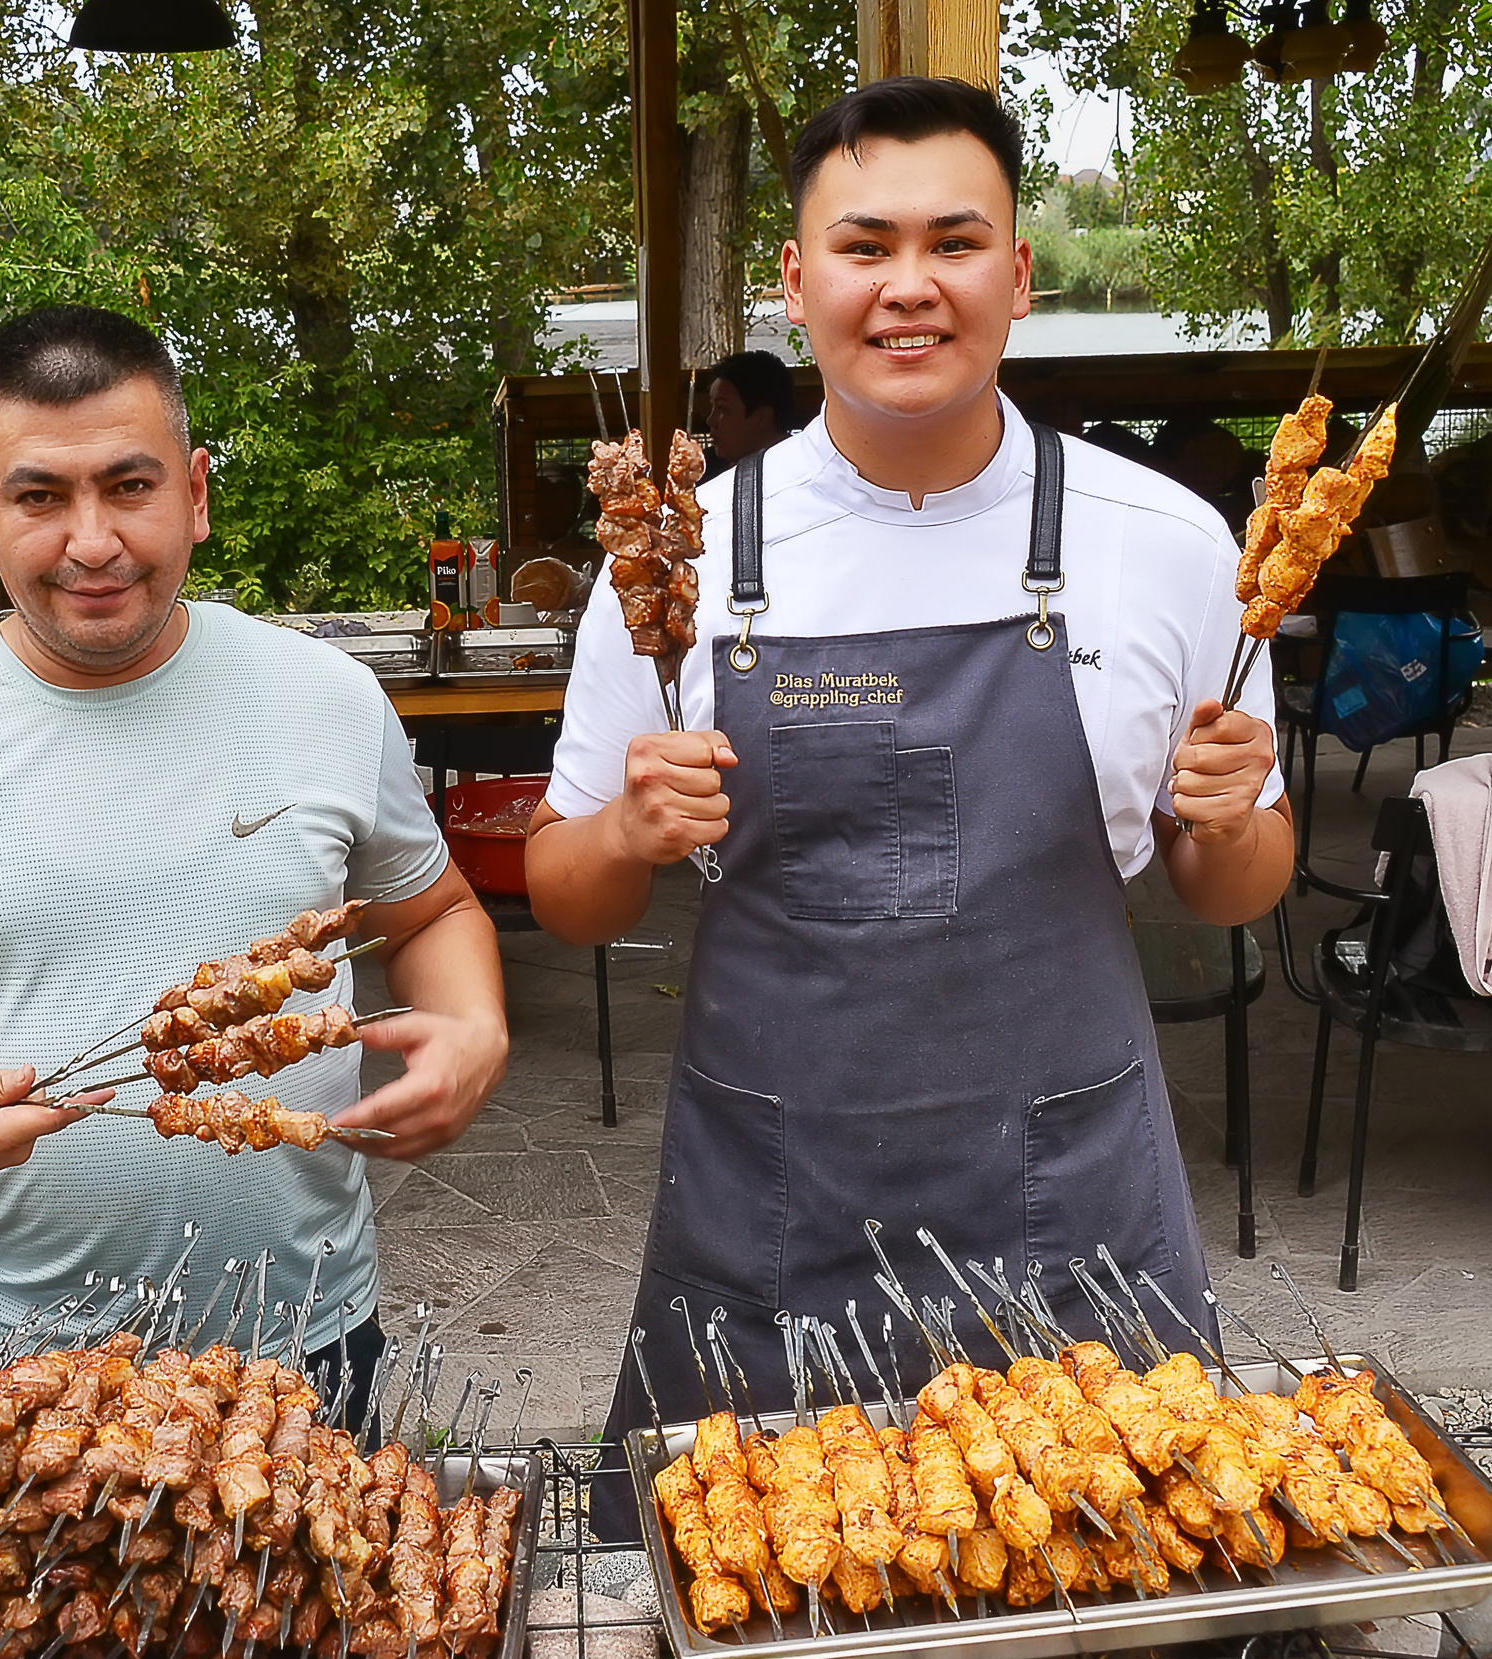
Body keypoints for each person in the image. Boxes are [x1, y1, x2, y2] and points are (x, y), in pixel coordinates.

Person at [524, 78, 1293, 1488]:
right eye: (865, 245)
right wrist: (631, 830)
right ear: (797, 280)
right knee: (763, 1565)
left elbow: (1234, 881)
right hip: (775, 1206)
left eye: (955, 242)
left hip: (1075, 1204)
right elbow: (559, 889)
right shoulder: (677, 562)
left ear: (1019, 274)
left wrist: (1233, 819)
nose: (909, 286)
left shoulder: (1169, 544)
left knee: (1107, 1553)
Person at [0, 305, 511, 1407]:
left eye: (129, 485)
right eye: (39, 496)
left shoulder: (326, 699)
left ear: (195, 493)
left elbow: (435, 912)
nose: (92, 541)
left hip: (302, 1342)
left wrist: (476, 1028)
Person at [702, 348, 798, 475]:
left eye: (722, 408)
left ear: (762, 418)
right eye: (712, 407)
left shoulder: (799, 472)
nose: (711, 421)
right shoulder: (704, 470)